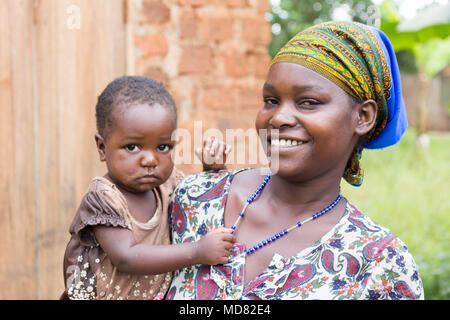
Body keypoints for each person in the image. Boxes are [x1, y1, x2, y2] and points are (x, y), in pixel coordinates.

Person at [166, 21, 424, 300]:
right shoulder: (196, 199)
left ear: (362, 117)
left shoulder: (379, 265)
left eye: (308, 102)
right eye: (271, 100)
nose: (277, 118)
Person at [62, 76, 235, 300]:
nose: (150, 160)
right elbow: (126, 257)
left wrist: (213, 169)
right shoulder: (103, 197)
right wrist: (198, 251)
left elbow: (201, 204)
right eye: (132, 147)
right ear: (102, 147)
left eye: (163, 146)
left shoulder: (169, 184)